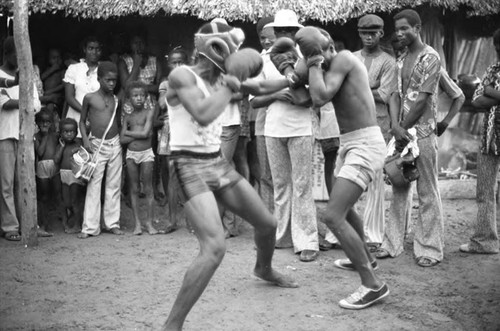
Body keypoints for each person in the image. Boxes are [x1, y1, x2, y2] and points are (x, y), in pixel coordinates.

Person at [161, 21, 297, 331]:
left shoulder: (225, 78)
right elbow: (204, 112)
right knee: (214, 247)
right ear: (212, 49)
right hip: (188, 166)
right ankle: (172, 325)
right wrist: (232, 81)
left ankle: (263, 269)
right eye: (228, 51)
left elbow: (259, 88)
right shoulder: (182, 75)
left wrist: (292, 78)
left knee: (268, 224)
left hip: (216, 163)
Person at [294, 25, 389, 308]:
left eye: (319, 53)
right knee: (344, 209)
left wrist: (311, 63)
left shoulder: (345, 58)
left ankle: (372, 285)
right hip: (350, 143)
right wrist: (297, 69)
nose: (321, 58)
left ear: (329, 48)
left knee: (332, 215)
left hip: (365, 144)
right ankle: (367, 257)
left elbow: (319, 97)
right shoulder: (327, 67)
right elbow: (303, 96)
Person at [374, 9, 444, 268]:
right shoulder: (401, 58)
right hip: (401, 132)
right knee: (399, 185)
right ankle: (392, 244)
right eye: (398, 29)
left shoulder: (431, 58)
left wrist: (403, 128)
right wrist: (395, 126)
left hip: (422, 131)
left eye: (405, 28)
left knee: (427, 190)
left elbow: (423, 98)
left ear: (418, 28)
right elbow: (394, 95)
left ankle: (430, 248)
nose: (400, 33)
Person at [253, 9, 320, 262]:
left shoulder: (307, 56)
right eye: (279, 31)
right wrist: (277, 95)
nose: (284, 35)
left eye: (288, 31)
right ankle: (281, 236)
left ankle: (307, 240)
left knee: (302, 185)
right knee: (281, 185)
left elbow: (318, 92)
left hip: (301, 127)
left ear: (296, 32)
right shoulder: (263, 59)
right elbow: (255, 100)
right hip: (273, 128)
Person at [352, 14, 396, 250]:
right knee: (350, 177)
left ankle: (373, 235)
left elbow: (384, 95)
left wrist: (357, 87)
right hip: (352, 125)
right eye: (364, 33)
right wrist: (371, 86)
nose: (368, 37)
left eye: (373, 33)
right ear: (359, 33)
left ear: (381, 34)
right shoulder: (351, 58)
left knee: (376, 181)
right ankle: (347, 231)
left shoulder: (388, 62)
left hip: (379, 126)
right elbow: (340, 87)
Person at [459, 28, 500, 254]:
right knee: (485, 192)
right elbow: (475, 101)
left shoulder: (492, 74)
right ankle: (485, 241)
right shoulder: (493, 68)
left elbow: (483, 93)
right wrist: (490, 92)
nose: (499, 52)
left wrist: (488, 90)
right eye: (497, 48)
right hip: (490, 138)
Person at [0, 37, 41, 241]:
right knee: (6, 183)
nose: (19, 58)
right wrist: (24, 101)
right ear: (6, 54)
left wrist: (21, 101)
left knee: (24, 180)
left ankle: (28, 223)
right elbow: (4, 103)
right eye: (16, 54)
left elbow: (37, 104)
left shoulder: (27, 74)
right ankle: (9, 226)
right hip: (4, 134)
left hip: (25, 135)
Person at [78, 61, 123, 239]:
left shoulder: (117, 99)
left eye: (114, 80)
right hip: (96, 144)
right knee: (94, 185)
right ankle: (90, 227)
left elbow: (118, 122)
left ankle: (112, 224)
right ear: (99, 79)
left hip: (115, 144)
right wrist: (86, 139)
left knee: (113, 185)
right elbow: (81, 121)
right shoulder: (89, 98)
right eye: (108, 80)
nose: (111, 83)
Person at [120, 81, 159, 235]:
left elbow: (145, 134)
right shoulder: (127, 117)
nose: (139, 98)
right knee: (134, 188)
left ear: (146, 97)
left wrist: (129, 133)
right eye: (135, 96)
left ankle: (149, 223)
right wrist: (139, 135)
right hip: (131, 155)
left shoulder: (149, 112)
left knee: (148, 188)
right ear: (129, 98)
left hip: (146, 153)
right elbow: (122, 140)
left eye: (142, 95)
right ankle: (137, 224)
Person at [157, 47, 190, 215]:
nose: (177, 66)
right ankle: (172, 219)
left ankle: (192, 221)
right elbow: (162, 104)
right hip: (171, 131)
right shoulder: (165, 83)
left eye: (181, 62)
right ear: (168, 64)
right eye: (174, 63)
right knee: (172, 176)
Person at [249, 16, 275, 215]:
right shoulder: (259, 61)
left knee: (285, 178)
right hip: (263, 125)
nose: (266, 41)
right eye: (262, 37)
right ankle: (269, 222)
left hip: (287, 126)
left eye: (270, 36)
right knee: (266, 176)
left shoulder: (295, 56)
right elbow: (254, 98)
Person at [63, 36, 102, 138]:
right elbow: (69, 97)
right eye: (91, 48)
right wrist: (85, 112)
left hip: (98, 118)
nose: (94, 52)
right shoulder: (74, 69)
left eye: (97, 49)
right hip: (75, 118)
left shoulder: (104, 69)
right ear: (85, 49)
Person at [54, 118, 86, 234]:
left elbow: (85, 159)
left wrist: (78, 151)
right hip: (64, 174)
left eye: (71, 131)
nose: (69, 134)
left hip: (75, 175)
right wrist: (61, 148)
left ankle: (77, 225)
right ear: (61, 133)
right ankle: (66, 222)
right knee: (66, 202)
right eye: (65, 132)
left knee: (75, 201)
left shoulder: (79, 144)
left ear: (76, 132)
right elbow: (56, 160)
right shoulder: (60, 145)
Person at [34, 109, 62, 237]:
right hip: (42, 168)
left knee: (57, 194)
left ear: (51, 123)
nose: (45, 124)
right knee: (44, 197)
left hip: (54, 168)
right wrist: (45, 136)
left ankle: (64, 222)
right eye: (42, 122)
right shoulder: (36, 136)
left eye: (47, 122)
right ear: (37, 123)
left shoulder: (55, 135)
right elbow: (40, 152)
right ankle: (43, 225)